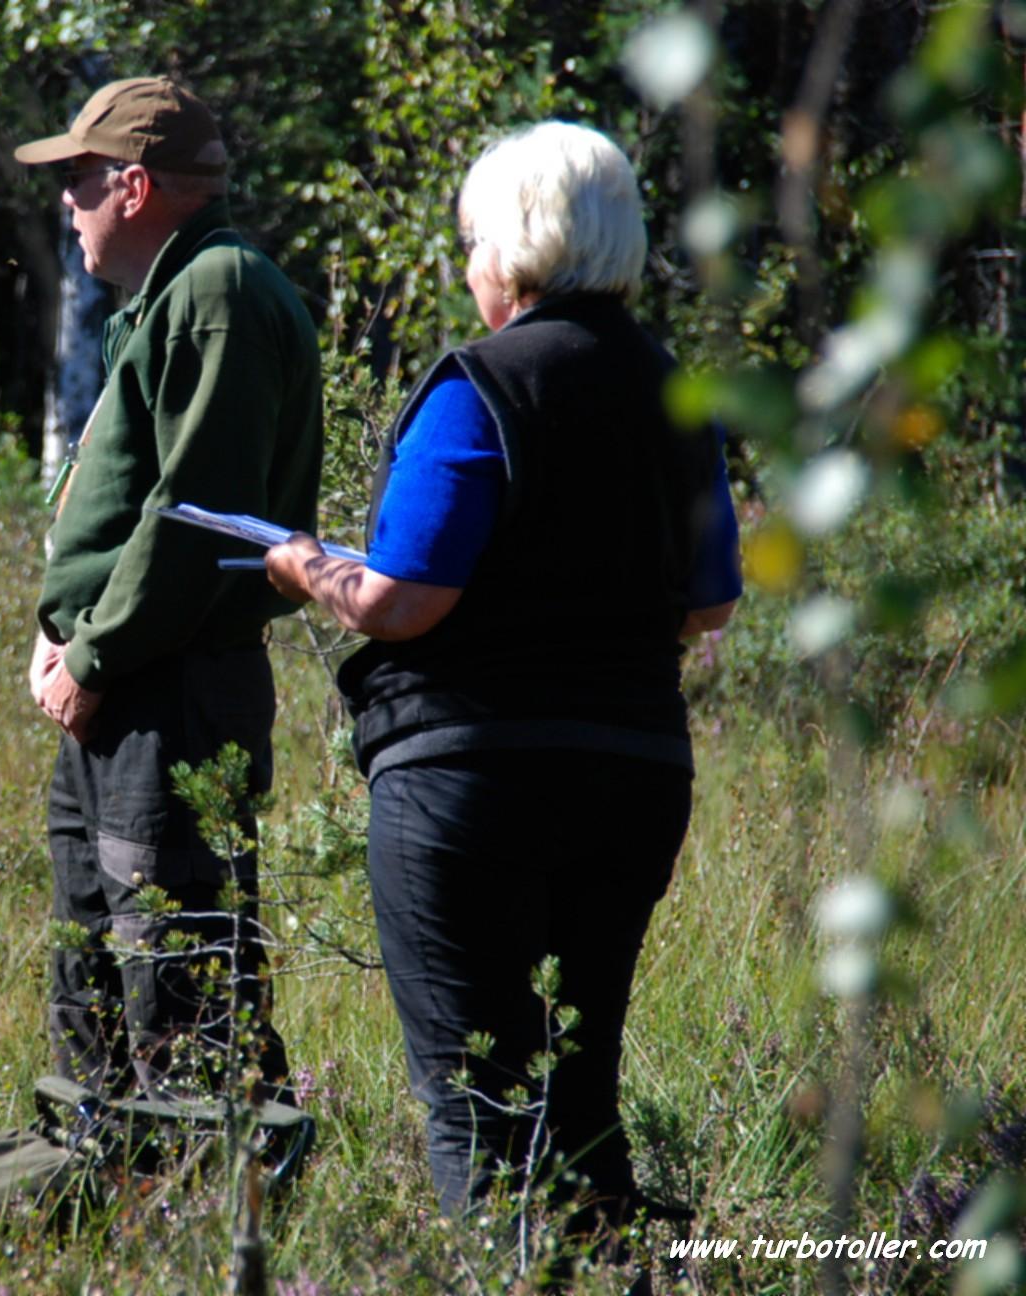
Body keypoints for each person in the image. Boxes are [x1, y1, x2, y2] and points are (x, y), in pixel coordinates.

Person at [265, 122, 740, 1251]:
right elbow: (709, 603)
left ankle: (504, 1271)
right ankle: (600, 1264)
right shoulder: (674, 394)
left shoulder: (479, 388)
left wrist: (303, 565)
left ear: (513, 249)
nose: (466, 265)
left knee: (478, 1099)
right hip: (631, 777)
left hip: (468, 781)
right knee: (579, 1098)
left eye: (471, 242)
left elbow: (400, 601)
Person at [13, 77, 324, 1100]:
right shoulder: (169, 297)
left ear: (135, 186)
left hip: (170, 694)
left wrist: (91, 657)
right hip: (121, 689)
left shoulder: (219, 291)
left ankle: (200, 1218)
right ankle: (101, 1199)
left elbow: (196, 517)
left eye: (80, 177)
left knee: (180, 993)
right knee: (93, 975)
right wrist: (60, 633)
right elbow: (116, 498)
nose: (67, 198)